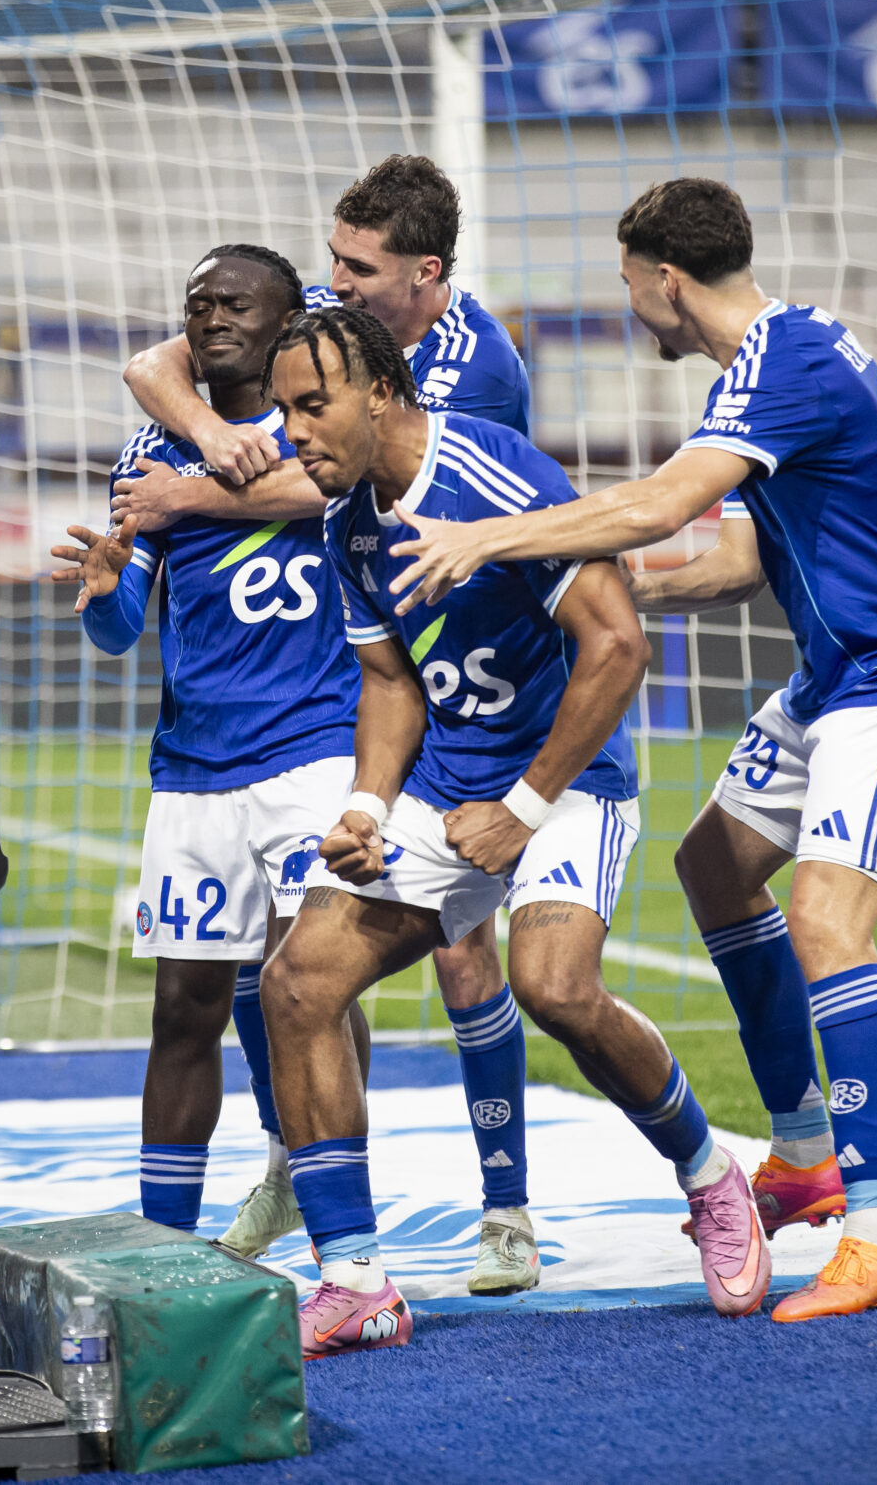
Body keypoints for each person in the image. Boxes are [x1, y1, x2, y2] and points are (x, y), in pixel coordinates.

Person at [388, 177, 877, 1320]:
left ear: (665, 279)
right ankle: (804, 1152)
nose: (631, 310)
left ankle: (876, 1235)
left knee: (825, 918)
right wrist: (605, 600)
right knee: (712, 869)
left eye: (630, 287)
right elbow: (729, 559)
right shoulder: (789, 355)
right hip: (838, 677)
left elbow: (662, 504)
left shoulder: (783, 360)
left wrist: (495, 540)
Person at [261, 306, 768, 1358]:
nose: (291, 433)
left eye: (311, 406)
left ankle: (712, 1181)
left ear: (380, 394)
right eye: (281, 412)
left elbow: (618, 644)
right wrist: (363, 810)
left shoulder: (493, 475)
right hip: (452, 787)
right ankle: (353, 1280)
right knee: (298, 982)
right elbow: (391, 679)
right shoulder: (342, 521)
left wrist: (524, 810)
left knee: (555, 991)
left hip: (566, 783)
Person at [110, 158, 544, 1284]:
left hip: (470, 674)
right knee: (286, 966)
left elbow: (331, 483)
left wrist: (190, 487)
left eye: (357, 270)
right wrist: (207, 433)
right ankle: (294, 1168)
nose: (337, 287)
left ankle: (508, 1209)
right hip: (385, 662)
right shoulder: (335, 337)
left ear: (424, 273)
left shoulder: (473, 371)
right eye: (333, 264)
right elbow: (155, 360)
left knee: (468, 957)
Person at [49, 246, 413, 1275]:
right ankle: (164, 1253)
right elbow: (122, 632)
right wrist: (111, 583)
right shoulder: (147, 452)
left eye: (232, 305)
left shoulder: (322, 434)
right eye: (196, 305)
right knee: (183, 1009)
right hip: (194, 770)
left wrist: (202, 487)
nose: (209, 320)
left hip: (312, 755)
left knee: (311, 981)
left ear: (287, 317)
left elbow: (322, 491)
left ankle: (338, 1227)